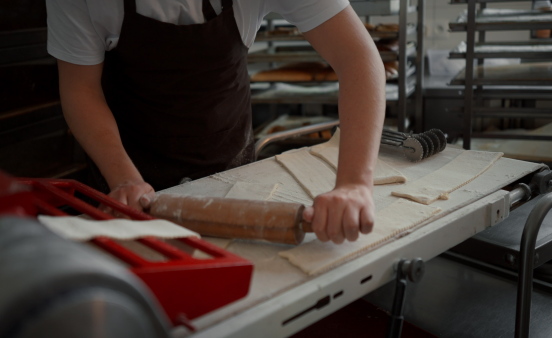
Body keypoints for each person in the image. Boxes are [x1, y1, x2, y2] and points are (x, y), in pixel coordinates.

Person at [46, 0, 386, 244]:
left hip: (233, 174)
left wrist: (354, 183)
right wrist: (123, 179)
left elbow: (357, 58)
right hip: (127, 179)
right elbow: (80, 89)